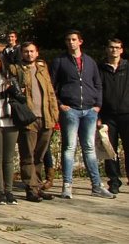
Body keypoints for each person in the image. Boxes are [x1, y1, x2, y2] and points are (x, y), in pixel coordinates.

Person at [50, 30, 114, 199]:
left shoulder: (90, 62)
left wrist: (97, 105)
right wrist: (60, 105)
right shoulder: (60, 61)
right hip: (70, 109)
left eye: (73, 40)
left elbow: (97, 84)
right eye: (68, 40)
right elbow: (51, 86)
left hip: (89, 110)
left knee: (89, 148)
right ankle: (67, 185)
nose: (71, 42)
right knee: (69, 147)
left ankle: (96, 185)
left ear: (80, 41)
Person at [10, 41, 58, 202]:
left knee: (40, 154)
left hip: (45, 117)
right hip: (28, 119)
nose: (29, 54)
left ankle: (37, 186)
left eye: (31, 51)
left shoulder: (42, 70)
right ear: (21, 53)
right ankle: (30, 188)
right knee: (28, 155)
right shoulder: (16, 70)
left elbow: (50, 92)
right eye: (25, 51)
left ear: (37, 53)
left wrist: (54, 114)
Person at [0, 51, 25, 205]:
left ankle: (9, 191)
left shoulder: (10, 78)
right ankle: (0, 191)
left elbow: (21, 98)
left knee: (9, 158)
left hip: (10, 121)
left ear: (1, 62)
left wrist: (11, 88)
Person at [99, 38, 129, 195]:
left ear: (122, 50)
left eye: (117, 47)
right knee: (110, 150)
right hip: (108, 115)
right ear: (107, 49)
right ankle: (114, 181)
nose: (114, 50)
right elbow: (97, 91)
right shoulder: (101, 69)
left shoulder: (127, 67)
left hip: (127, 114)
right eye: (111, 47)